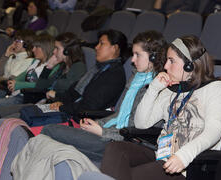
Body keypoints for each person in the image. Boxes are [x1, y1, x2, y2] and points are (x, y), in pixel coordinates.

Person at [100, 35, 221, 180]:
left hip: (189, 166)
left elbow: (214, 131)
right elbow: (142, 123)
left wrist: (184, 156)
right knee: (116, 148)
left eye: (172, 61)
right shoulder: (171, 90)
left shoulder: (216, 88)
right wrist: (154, 89)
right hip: (161, 156)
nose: (166, 66)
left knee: (129, 175)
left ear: (190, 65)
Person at [41, 30, 167, 162]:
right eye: (132, 54)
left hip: (122, 142)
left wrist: (102, 131)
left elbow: (138, 128)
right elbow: (119, 115)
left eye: (137, 55)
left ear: (153, 57)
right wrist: (97, 123)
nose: (132, 60)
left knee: (50, 131)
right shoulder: (136, 77)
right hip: (111, 132)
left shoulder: (158, 87)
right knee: (50, 138)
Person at [0, 32, 88, 116]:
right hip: (45, 104)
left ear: (67, 51)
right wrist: (48, 67)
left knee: (6, 116)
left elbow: (69, 92)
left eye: (57, 48)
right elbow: (40, 86)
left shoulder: (78, 67)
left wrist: (54, 93)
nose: (54, 51)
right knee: (0, 112)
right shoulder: (62, 66)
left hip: (58, 108)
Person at [0, 34, 56, 109]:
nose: (33, 49)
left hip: (24, 98)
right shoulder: (35, 61)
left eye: (36, 47)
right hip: (12, 92)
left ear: (45, 48)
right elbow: (23, 75)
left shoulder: (50, 66)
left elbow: (41, 85)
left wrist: (18, 84)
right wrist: (14, 81)